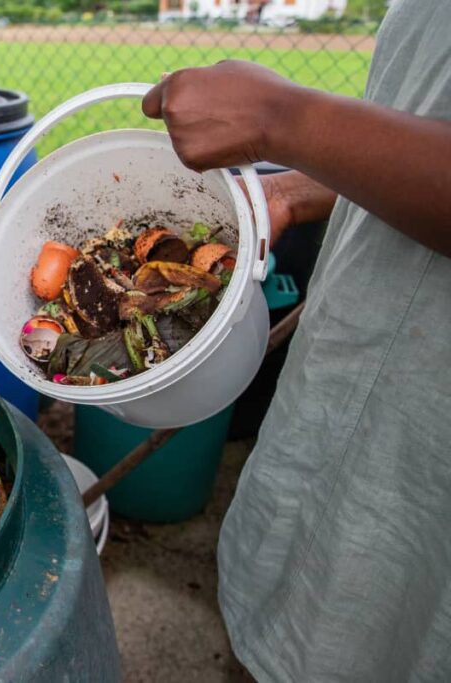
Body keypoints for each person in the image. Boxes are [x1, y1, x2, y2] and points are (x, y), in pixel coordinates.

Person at [141, 1, 451, 680]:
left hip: (429, 430)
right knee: (294, 608)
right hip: (351, 363)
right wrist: (296, 189)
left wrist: (281, 119)